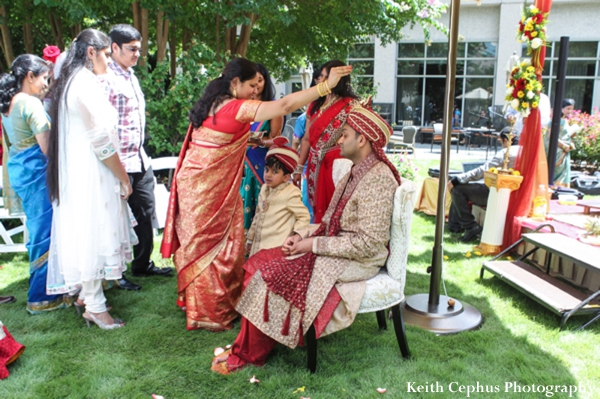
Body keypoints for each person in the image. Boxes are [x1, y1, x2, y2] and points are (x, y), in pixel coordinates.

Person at [161, 58, 352, 331]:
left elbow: (221, 139)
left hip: (196, 186)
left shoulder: (213, 103)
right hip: (207, 190)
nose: (255, 91)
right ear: (235, 82)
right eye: (252, 85)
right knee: (214, 248)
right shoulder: (236, 108)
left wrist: (253, 140)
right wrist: (326, 87)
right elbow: (284, 106)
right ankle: (211, 314)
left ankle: (202, 308)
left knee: (209, 246)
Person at [211, 106, 401, 374]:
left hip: (359, 259)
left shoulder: (378, 179)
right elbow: (329, 223)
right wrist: (301, 236)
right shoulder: (355, 172)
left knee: (270, 273)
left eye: (344, 135)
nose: (339, 140)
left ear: (363, 140)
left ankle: (251, 353)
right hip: (337, 248)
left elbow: (367, 244)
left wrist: (311, 245)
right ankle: (251, 343)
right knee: (261, 262)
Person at [46, 28, 137, 329]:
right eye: (107, 55)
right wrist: (122, 176)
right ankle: (96, 307)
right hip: (91, 174)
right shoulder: (83, 84)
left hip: (82, 172)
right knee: (93, 235)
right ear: (90, 53)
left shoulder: (72, 82)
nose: (109, 62)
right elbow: (100, 140)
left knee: (88, 234)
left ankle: (90, 297)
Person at [104, 24, 173, 292]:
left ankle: (142, 263)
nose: (137, 54)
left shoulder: (131, 75)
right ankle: (116, 273)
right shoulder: (106, 77)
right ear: (114, 48)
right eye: (132, 49)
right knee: (118, 219)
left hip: (140, 158)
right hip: (117, 161)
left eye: (139, 49)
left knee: (145, 211)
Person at [0, 54, 68, 314]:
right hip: (37, 171)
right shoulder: (30, 103)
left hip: (20, 170)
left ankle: (52, 290)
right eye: (44, 79)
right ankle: (40, 297)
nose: (46, 85)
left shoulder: (9, 103)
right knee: (44, 234)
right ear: (30, 77)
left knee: (38, 231)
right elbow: (47, 148)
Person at [295, 60, 359, 223]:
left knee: (336, 214)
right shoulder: (315, 104)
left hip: (337, 167)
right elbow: (307, 139)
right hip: (314, 165)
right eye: (321, 76)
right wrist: (298, 168)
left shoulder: (351, 106)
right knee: (316, 212)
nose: (321, 80)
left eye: (326, 76)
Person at [447, 130, 520, 242]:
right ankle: (455, 226)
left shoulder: (506, 152)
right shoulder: (529, 152)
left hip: (499, 195)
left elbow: (484, 171)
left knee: (457, 189)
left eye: (501, 141)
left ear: (506, 140)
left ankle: (471, 227)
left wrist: (457, 179)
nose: (501, 144)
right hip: (518, 195)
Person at [245, 137, 310, 257]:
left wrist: (297, 235)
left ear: (286, 177)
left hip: (276, 248)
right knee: (254, 274)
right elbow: (258, 214)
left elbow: (304, 216)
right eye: (266, 170)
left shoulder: (291, 192)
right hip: (259, 245)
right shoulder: (264, 188)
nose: (268, 175)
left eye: (275, 172)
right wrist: (250, 239)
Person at [240, 63, 283, 233]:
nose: (256, 85)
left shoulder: (273, 107)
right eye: (252, 81)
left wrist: (261, 142)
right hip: (240, 166)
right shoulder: (240, 106)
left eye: (260, 80)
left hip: (261, 166)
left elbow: (278, 140)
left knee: (260, 212)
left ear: (266, 81)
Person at [544, 99, 579, 187]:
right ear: (561, 108)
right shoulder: (557, 121)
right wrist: (564, 146)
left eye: (571, 109)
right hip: (558, 152)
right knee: (555, 175)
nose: (570, 111)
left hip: (563, 151)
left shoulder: (564, 121)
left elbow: (562, 135)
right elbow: (551, 136)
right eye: (568, 108)